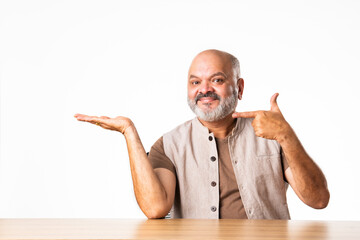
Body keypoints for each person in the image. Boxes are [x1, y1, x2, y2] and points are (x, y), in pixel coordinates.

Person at [74, 49, 330, 219]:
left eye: (217, 80)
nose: (204, 89)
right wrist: (129, 132)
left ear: (239, 88)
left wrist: (287, 136)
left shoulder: (272, 136)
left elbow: (318, 200)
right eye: (195, 82)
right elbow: (155, 208)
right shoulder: (169, 145)